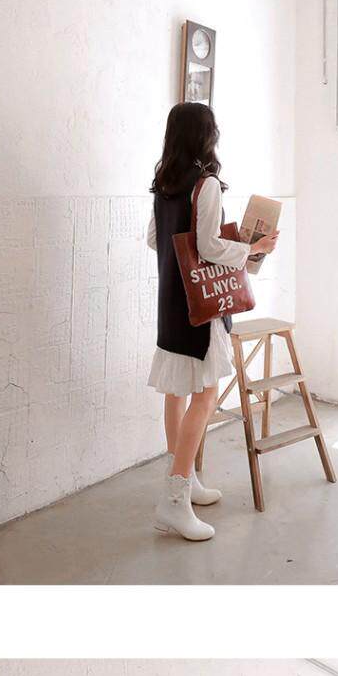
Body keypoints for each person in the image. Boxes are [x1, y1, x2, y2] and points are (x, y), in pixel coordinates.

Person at [146, 102, 278, 540]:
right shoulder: (207, 185)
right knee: (205, 395)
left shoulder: (164, 183)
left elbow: (155, 239)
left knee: (176, 392)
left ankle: (183, 479)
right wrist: (252, 249)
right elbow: (207, 247)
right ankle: (174, 500)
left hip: (171, 300)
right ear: (207, 135)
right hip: (200, 308)